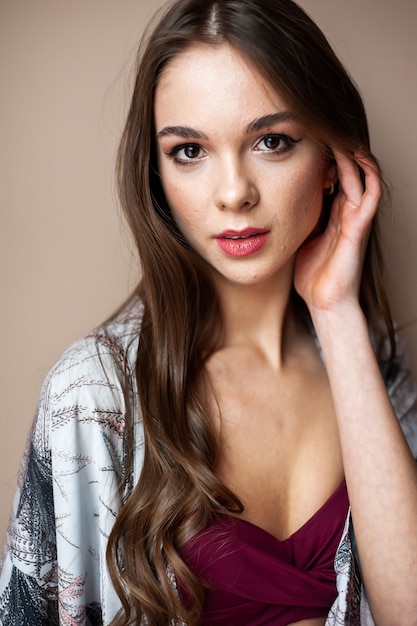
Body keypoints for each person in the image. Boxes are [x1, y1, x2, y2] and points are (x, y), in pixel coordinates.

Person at [1, 0, 417, 624]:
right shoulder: (93, 395)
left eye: (271, 141)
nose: (233, 193)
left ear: (332, 163)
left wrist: (336, 313)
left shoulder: (375, 365)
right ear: (157, 175)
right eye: (189, 151)